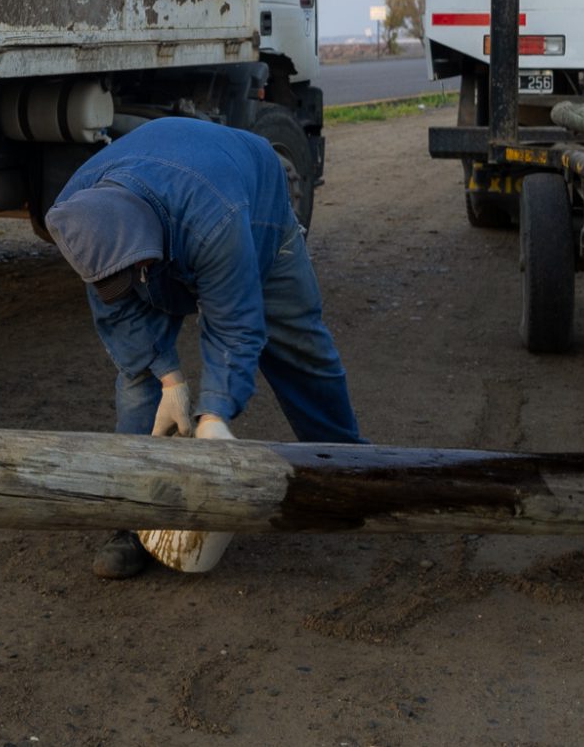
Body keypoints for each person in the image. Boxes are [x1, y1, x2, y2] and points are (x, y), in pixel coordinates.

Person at [43, 116, 362, 580]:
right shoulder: (81, 214)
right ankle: (133, 523)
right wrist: (168, 378)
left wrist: (214, 414)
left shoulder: (216, 218)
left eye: (131, 274)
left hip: (254, 213)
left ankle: (352, 472)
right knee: (138, 380)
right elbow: (117, 312)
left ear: (146, 250)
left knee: (301, 352)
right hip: (168, 215)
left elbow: (234, 324)